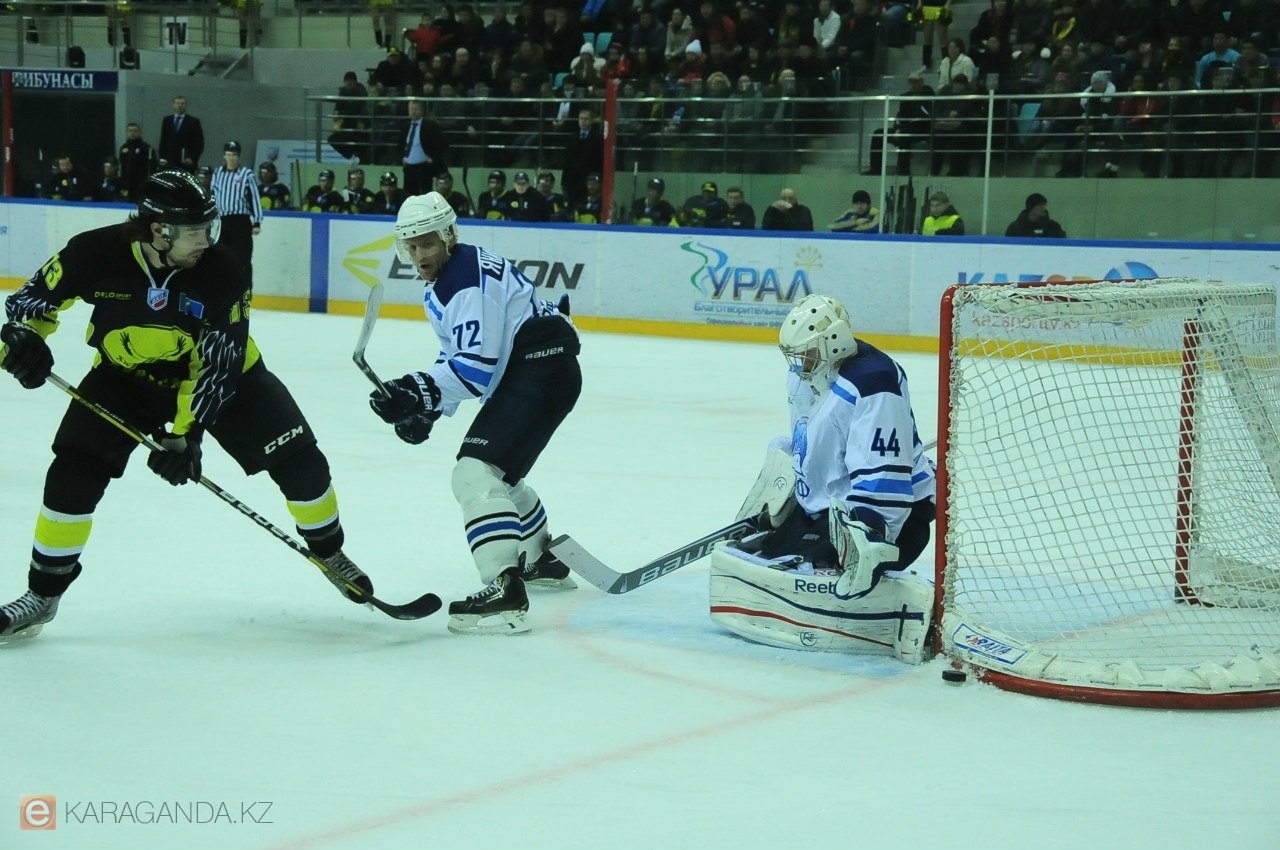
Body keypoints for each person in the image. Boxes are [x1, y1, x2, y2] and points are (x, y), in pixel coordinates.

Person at [0, 170, 373, 641]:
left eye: (208, 227)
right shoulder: (94, 251)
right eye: (196, 231)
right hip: (125, 376)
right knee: (73, 471)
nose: (207, 240)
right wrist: (23, 339)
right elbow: (31, 301)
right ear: (160, 230)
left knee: (302, 462)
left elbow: (216, 364)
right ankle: (42, 595)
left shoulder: (224, 269)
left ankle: (329, 552)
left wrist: (186, 435)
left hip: (228, 377)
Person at [366, 192, 582, 635]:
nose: (419, 255)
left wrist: (416, 392)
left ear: (448, 235)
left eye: (427, 243)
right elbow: (458, 355)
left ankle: (505, 590)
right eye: (411, 246)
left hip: (539, 369)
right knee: (500, 477)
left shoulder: (461, 281)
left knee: (473, 475)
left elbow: (476, 369)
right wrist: (428, 407)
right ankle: (540, 559)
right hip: (545, 368)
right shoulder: (456, 271)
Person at [708, 294, 936, 661]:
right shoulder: (806, 375)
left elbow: (884, 475)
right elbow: (812, 441)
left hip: (892, 516)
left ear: (835, 342)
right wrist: (791, 488)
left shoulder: (873, 383)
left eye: (808, 354)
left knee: (807, 570)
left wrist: (870, 539)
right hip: (828, 507)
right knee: (770, 556)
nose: (800, 363)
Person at [208, 141, 263, 278]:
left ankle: (244, 287)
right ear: (224, 156)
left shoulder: (246, 174)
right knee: (222, 256)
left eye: (234, 155)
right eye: (228, 154)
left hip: (240, 221)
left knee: (242, 256)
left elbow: (254, 198)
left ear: (238, 156)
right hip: (222, 220)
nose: (231, 158)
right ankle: (225, 287)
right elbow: (212, 196)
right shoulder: (218, 173)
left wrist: (257, 222)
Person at [402, 99, 449, 196]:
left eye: (415, 109)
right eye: (411, 109)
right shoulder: (405, 126)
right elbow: (401, 144)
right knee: (408, 194)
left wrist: (433, 157)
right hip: (409, 166)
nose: (413, 112)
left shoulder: (430, 125)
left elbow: (443, 143)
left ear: (421, 110)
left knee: (425, 193)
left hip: (424, 166)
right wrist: (403, 157)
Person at [157, 95, 204, 173]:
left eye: (182, 103)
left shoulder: (193, 121)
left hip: (186, 161)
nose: (180, 105)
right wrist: (162, 158)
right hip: (170, 161)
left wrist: (193, 158)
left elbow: (199, 142)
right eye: (178, 103)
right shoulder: (167, 120)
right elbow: (163, 140)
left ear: (186, 105)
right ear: (173, 104)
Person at [117, 122, 158, 200]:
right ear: (127, 133)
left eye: (135, 131)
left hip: (140, 182)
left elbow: (153, 166)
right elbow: (121, 165)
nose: (132, 133)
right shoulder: (123, 148)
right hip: (127, 183)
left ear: (140, 133)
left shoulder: (146, 148)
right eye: (130, 131)